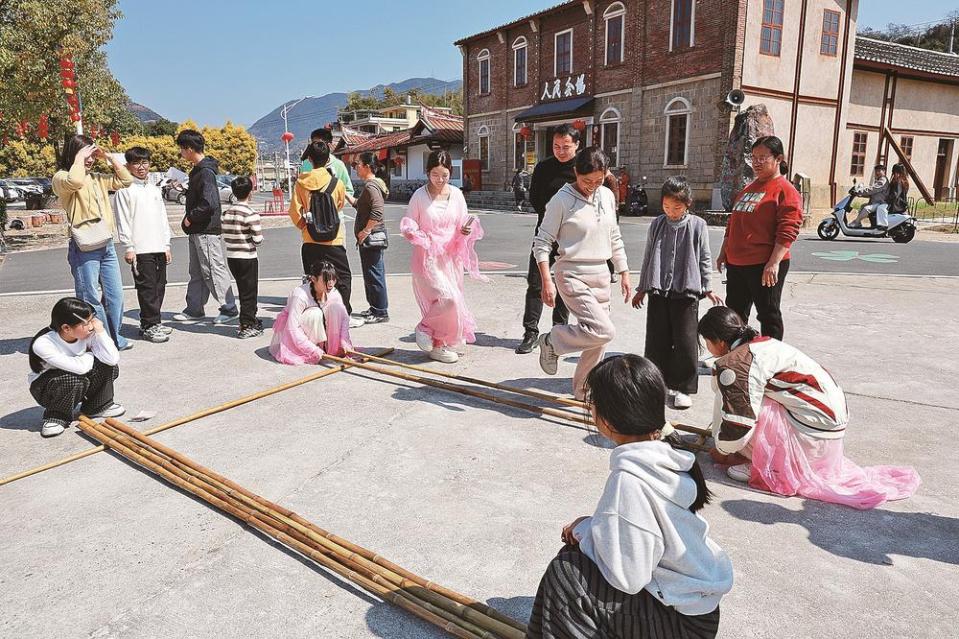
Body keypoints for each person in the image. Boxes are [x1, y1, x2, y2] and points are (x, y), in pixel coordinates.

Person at [527, 355, 732, 639]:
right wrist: (589, 526)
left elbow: (628, 577)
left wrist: (585, 530)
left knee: (565, 575)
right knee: (574, 557)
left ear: (607, 419)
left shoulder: (630, 479)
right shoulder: (665, 454)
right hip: (698, 614)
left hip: (681, 627)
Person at [699, 306, 921, 508]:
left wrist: (723, 451)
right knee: (747, 397)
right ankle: (757, 454)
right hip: (827, 432)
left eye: (706, 341)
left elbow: (739, 421)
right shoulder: (762, 344)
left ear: (719, 341)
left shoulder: (736, 363)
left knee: (736, 402)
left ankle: (771, 466)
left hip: (812, 436)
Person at [534, 146, 630, 399]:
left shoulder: (606, 195)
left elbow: (614, 236)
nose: (592, 187)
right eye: (587, 181)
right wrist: (546, 280)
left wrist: (623, 271)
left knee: (599, 339)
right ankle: (552, 340)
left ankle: (583, 389)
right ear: (576, 172)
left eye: (598, 181)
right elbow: (542, 242)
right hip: (571, 273)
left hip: (601, 273)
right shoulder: (561, 200)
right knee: (604, 330)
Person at [632, 177, 723, 410]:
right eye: (666, 206)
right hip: (658, 289)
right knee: (656, 339)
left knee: (685, 341)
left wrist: (708, 287)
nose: (671, 212)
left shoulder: (698, 225)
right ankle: (656, 384)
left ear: (687, 204)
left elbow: (704, 257)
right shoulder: (657, 224)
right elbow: (648, 256)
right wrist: (642, 288)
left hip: (687, 290)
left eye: (676, 207)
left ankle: (683, 388)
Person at [400, 149, 487, 364]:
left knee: (452, 303)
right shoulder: (419, 196)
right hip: (427, 258)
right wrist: (415, 233)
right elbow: (409, 223)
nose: (440, 179)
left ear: (450, 173)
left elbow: (463, 221)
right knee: (447, 298)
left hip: (450, 258)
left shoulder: (456, 194)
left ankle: (439, 344)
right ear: (427, 172)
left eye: (445, 175)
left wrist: (466, 229)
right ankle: (425, 328)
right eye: (435, 175)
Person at [716, 135, 802, 341]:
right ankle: (738, 354)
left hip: (764, 264)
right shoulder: (748, 189)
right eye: (753, 157)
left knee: (768, 314)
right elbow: (733, 223)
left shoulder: (786, 190)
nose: (756, 162)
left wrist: (774, 263)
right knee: (735, 315)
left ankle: (772, 355)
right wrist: (723, 251)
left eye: (762, 157)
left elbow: (788, 229)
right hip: (737, 263)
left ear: (778, 159)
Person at [52, 134, 134, 350]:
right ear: (74, 153)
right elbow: (75, 181)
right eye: (86, 154)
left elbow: (126, 180)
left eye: (92, 155)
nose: (90, 159)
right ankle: (98, 340)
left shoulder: (97, 178)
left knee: (115, 296)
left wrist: (108, 157)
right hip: (84, 246)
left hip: (106, 243)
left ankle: (113, 337)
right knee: (89, 297)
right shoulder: (61, 177)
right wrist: (79, 159)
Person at [515, 125, 577, 355]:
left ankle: (559, 333)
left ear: (576, 145)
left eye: (566, 147)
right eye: (556, 146)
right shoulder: (543, 167)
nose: (560, 151)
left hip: (571, 236)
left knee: (564, 284)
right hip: (545, 232)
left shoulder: (581, 168)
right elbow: (535, 198)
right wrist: (552, 217)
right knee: (536, 282)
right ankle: (530, 332)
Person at [27, 297, 125, 438]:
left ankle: (97, 406)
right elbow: (80, 368)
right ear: (66, 328)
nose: (91, 326)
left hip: (78, 377)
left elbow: (112, 359)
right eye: (86, 323)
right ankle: (56, 417)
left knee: (108, 366)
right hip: (46, 386)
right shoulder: (43, 343)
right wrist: (90, 354)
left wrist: (101, 332)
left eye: (92, 320)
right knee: (72, 378)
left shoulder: (87, 333)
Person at [289, 140, 361, 325]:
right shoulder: (337, 183)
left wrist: (305, 226)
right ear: (328, 159)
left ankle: (316, 316)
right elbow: (339, 205)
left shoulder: (301, 183)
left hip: (310, 239)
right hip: (333, 239)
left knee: (313, 279)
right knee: (342, 277)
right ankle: (342, 314)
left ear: (310, 159)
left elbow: (295, 212)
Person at [171, 129, 238, 325]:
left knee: (213, 269)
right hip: (198, 230)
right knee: (198, 272)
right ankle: (194, 309)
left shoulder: (205, 172)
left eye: (182, 149)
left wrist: (190, 218)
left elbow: (209, 203)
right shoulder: (199, 171)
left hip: (206, 230)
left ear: (189, 149)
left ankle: (229, 308)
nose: (181, 153)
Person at [114, 146, 172, 344]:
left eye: (144, 162)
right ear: (128, 166)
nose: (141, 167)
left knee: (160, 286)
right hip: (140, 248)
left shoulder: (154, 189)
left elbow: (162, 218)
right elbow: (123, 220)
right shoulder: (124, 191)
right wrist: (129, 247)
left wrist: (166, 244)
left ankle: (154, 321)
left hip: (158, 246)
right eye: (136, 163)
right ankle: (149, 325)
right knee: (147, 288)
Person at [269, 260, 354, 365]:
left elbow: (344, 318)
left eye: (333, 279)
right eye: (326, 280)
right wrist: (313, 350)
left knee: (336, 309)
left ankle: (328, 347)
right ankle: (313, 348)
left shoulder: (332, 291)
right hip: (295, 335)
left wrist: (344, 341)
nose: (331, 283)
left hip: (317, 330)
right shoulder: (299, 295)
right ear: (313, 279)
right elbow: (292, 328)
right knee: (315, 313)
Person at [222, 176, 264, 339]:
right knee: (249, 292)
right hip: (247, 256)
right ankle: (247, 324)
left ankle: (249, 319)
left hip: (232, 256)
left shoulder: (226, 213)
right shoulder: (251, 214)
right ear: (250, 192)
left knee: (242, 289)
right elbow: (258, 240)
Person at [352, 152, 390, 324]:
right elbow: (360, 206)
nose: (356, 168)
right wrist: (345, 194)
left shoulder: (371, 186)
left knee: (374, 274)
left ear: (367, 166)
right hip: (371, 237)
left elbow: (377, 210)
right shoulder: (372, 185)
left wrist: (366, 231)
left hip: (372, 237)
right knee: (371, 273)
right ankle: (375, 307)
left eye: (358, 164)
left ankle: (380, 311)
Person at [303, 127, 355, 206]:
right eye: (314, 143)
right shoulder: (306, 164)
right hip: (311, 212)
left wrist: (334, 206)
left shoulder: (338, 165)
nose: (316, 147)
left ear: (329, 145)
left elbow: (348, 190)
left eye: (320, 143)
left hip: (334, 212)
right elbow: (301, 191)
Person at [849, 164, 888, 228]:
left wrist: (859, 191)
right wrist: (860, 195)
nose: (877, 173)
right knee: (863, 206)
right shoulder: (879, 180)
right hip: (876, 202)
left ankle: (856, 222)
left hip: (880, 203)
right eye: (876, 171)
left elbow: (872, 189)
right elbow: (873, 193)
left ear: (884, 171)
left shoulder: (883, 180)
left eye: (879, 171)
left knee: (866, 208)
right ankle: (858, 223)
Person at [875, 163, 910, 230]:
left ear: (901, 172)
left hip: (896, 204)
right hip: (898, 203)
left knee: (880, 208)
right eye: (894, 172)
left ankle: (883, 226)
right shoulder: (903, 180)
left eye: (897, 172)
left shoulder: (899, 181)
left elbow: (895, 195)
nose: (895, 174)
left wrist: (886, 200)